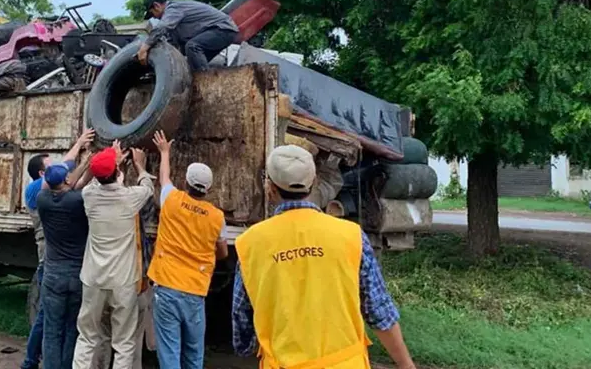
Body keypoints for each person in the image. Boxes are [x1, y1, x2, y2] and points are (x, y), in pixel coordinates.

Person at [232, 145, 417, 369]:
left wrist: (248, 345)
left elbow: (242, 320)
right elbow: (379, 312)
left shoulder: (250, 244)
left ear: (270, 187)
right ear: (314, 183)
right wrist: (406, 365)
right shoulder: (351, 236)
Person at [147, 130, 228, 369]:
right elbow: (222, 253)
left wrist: (165, 152)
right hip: (195, 290)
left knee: (169, 351)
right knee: (194, 352)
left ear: (187, 182)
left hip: (167, 286)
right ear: (209, 188)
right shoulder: (217, 217)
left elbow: (164, 178)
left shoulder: (171, 200)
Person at [72, 144, 155, 369]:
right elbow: (147, 185)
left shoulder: (89, 196)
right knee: (124, 343)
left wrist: (111, 161)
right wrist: (139, 165)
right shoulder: (131, 199)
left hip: (93, 280)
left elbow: (92, 180)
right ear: (117, 173)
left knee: (87, 337)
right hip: (123, 283)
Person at [22, 130, 95, 369]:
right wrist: (88, 162)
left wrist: (81, 154)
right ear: (42, 175)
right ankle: (33, 361)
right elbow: (76, 184)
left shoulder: (43, 198)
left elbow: (70, 181)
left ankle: (38, 363)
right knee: (66, 326)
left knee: (51, 327)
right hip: (74, 272)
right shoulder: (69, 199)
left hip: (53, 273)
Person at [138, 0, 239, 72]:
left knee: (192, 46)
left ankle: (205, 82)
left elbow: (162, 27)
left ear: (156, 6)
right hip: (218, 31)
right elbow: (173, 47)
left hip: (223, 29)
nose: (155, 18)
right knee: (191, 64)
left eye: (153, 14)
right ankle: (204, 79)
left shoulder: (173, 9)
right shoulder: (173, 22)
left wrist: (144, 48)